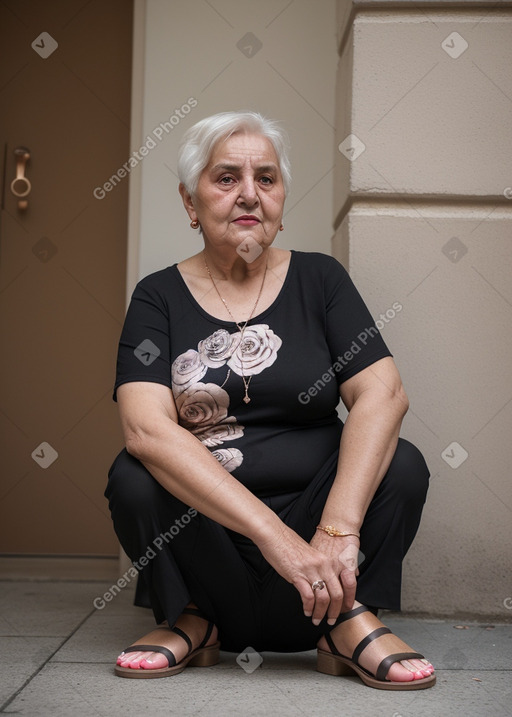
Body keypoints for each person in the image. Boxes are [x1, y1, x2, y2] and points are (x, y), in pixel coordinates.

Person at [105, 110, 436, 690]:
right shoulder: (157, 296)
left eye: (267, 178)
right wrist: (276, 540)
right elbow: (146, 429)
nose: (249, 195)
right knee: (132, 471)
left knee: (401, 461)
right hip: (212, 547)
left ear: (282, 200)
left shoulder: (321, 280)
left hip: (326, 559)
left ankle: (350, 622)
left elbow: (383, 394)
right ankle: (195, 619)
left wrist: (335, 531)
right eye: (226, 178)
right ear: (190, 202)